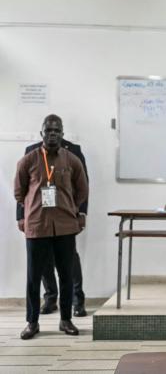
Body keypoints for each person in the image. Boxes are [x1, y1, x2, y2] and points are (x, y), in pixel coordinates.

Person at [14, 114, 89, 339]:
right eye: (48, 131)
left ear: (62, 134)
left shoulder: (72, 159)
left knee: (66, 274)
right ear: (42, 134)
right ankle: (32, 322)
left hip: (65, 226)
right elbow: (19, 191)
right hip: (37, 226)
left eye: (57, 131)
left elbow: (82, 189)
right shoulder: (29, 159)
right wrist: (29, 210)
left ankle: (66, 320)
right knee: (33, 277)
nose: (52, 134)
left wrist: (70, 208)